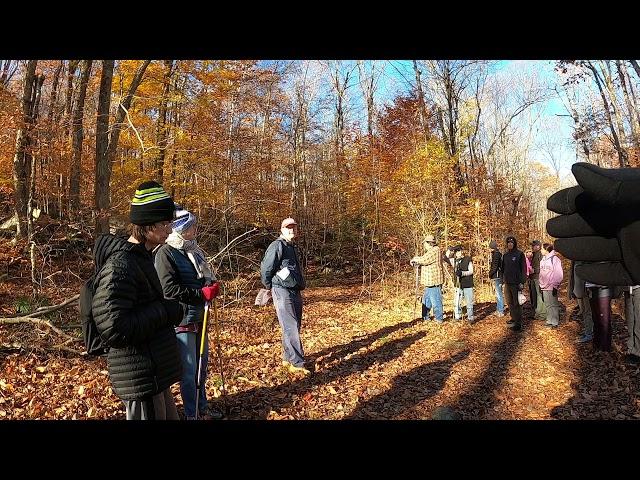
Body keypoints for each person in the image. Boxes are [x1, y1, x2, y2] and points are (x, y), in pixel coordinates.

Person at [92, 181, 183, 420]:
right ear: (147, 225)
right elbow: (114, 327)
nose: (170, 230)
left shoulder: (142, 258)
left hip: (152, 374)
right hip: (139, 376)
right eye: (165, 223)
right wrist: (164, 310)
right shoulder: (121, 265)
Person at [155, 207, 223, 420]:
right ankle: (191, 413)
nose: (195, 229)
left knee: (201, 369)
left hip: (200, 317)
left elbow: (202, 277)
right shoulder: (166, 253)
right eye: (191, 225)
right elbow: (168, 289)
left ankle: (203, 408)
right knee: (189, 371)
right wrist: (200, 294)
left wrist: (211, 285)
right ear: (180, 228)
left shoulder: (195, 251)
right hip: (182, 319)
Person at [260, 217, 309, 375]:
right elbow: (266, 268)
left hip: (294, 290)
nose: (291, 230)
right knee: (291, 326)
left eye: (294, 227)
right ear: (281, 230)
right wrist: (270, 286)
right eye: (288, 228)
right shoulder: (277, 245)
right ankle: (297, 364)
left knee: (293, 325)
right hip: (282, 290)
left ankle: (288, 358)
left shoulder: (291, 247)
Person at [410, 234, 445, 323]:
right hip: (428, 282)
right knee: (426, 301)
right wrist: (416, 260)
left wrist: (415, 259)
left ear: (429, 243)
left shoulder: (435, 251)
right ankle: (425, 317)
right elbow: (423, 259)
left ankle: (439, 319)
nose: (424, 245)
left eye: (424, 243)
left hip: (434, 282)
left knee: (436, 301)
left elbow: (424, 260)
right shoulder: (431, 251)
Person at [501, 236, 527, 331]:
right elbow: (503, 269)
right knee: (509, 302)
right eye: (508, 243)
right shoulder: (505, 255)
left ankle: (518, 323)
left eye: (511, 243)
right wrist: (502, 281)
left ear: (514, 243)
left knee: (517, 303)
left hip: (516, 283)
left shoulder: (519, 254)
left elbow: (523, 269)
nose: (510, 244)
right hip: (507, 282)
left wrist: (522, 282)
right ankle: (513, 318)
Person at [446, 245, 475, 323]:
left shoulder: (467, 259)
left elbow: (471, 271)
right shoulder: (454, 261)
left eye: (459, 251)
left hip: (467, 284)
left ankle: (470, 318)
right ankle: (457, 316)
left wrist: (462, 273)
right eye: (456, 251)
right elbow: (445, 257)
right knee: (457, 301)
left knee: (469, 302)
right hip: (458, 284)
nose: (458, 253)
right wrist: (450, 250)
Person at [539, 243, 563, 328]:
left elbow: (558, 274)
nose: (540, 250)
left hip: (552, 286)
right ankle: (549, 320)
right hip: (543, 286)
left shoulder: (555, 259)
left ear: (546, 250)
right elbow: (541, 273)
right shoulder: (542, 260)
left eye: (542, 249)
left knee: (553, 304)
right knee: (547, 304)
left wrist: (555, 286)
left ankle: (555, 322)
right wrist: (540, 284)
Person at [570, 261, 594, 344]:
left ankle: (589, 333)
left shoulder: (583, 259)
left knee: (588, 312)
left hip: (586, 290)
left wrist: (588, 289)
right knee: (584, 311)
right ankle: (587, 331)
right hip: (580, 290)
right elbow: (572, 277)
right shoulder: (575, 260)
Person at [530, 240, 547, 320]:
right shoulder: (533, 254)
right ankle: (537, 312)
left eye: (534, 246)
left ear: (538, 246)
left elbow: (543, 267)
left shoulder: (540, 254)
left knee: (539, 296)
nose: (532, 247)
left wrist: (534, 270)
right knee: (535, 296)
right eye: (532, 246)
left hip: (538, 277)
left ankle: (543, 314)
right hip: (533, 278)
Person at [624, 285, 640, 364]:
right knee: (630, 321)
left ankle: (637, 352)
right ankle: (630, 349)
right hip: (627, 289)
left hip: (638, 288)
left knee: (638, 321)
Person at [488, 240, 504, 316]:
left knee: (498, 293)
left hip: (497, 276)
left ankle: (500, 311)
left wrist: (490, 274)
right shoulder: (498, 254)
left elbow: (495, 266)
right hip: (498, 276)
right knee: (498, 293)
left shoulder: (496, 255)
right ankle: (499, 309)